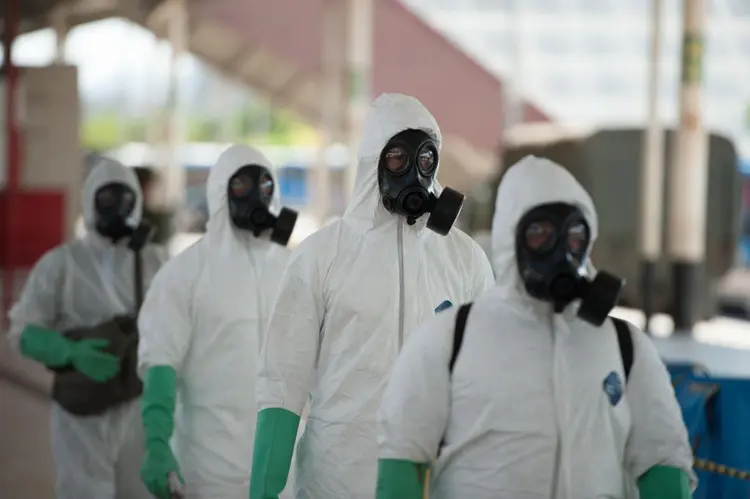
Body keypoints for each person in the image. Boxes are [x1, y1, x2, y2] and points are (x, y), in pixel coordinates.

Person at [375, 155, 695, 499]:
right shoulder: (450, 339)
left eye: (573, 236)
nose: (560, 251)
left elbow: (663, 459)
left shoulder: (624, 346)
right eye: (539, 234)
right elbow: (403, 456)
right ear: (511, 239)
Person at [249, 93, 495, 499]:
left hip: (435, 481)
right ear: (373, 162)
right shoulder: (322, 255)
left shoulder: (464, 258)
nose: (414, 172)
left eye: (426, 159)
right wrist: (264, 488)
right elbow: (282, 379)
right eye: (398, 158)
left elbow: (486, 377)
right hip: (337, 479)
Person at [137, 145, 299, 499]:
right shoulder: (185, 273)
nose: (256, 196)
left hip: (284, 474)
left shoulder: (294, 269)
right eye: (241, 185)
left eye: (265, 186)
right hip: (208, 474)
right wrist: (157, 443)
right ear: (219, 191)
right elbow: (161, 364)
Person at [8, 156, 167, 499]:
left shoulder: (156, 261)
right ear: (89, 199)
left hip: (139, 404)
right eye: (106, 199)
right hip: (80, 411)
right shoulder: (61, 264)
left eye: (125, 199)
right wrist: (69, 352)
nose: (117, 209)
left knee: (138, 490)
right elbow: (22, 330)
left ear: (137, 202)